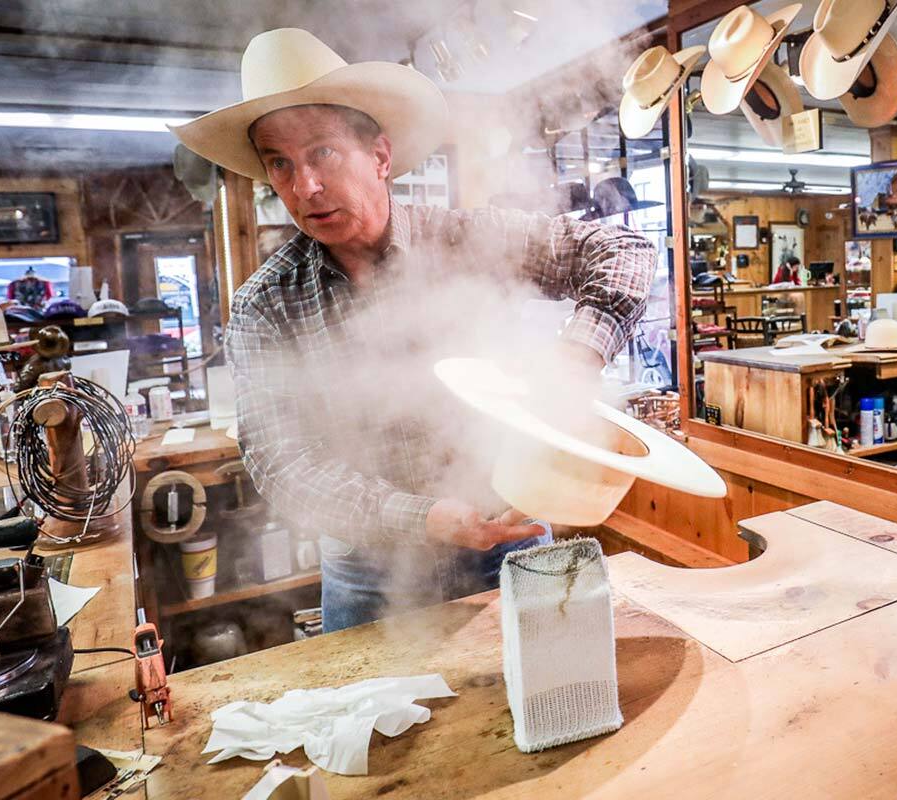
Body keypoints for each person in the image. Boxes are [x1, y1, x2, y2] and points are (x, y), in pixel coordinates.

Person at [172, 29, 655, 632]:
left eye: (321, 153)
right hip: (369, 577)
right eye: (281, 164)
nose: (304, 187)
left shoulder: (465, 238)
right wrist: (423, 517)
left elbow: (624, 251)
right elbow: (281, 462)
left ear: (379, 155)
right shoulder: (265, 303)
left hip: (512, 544)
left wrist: (577, 356)